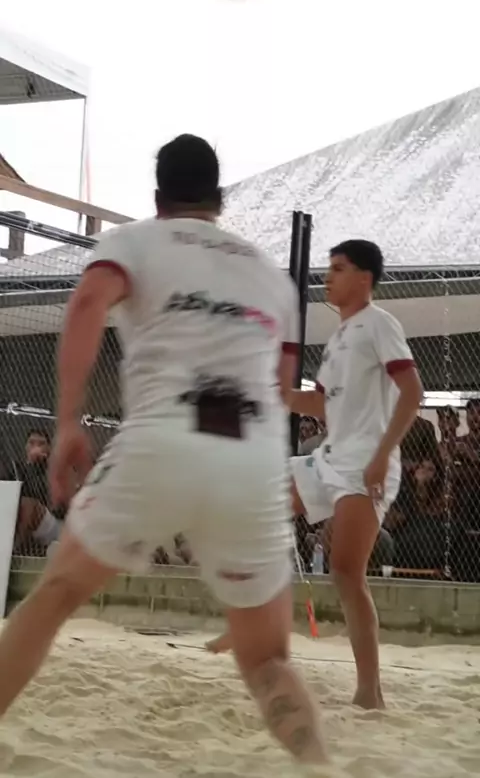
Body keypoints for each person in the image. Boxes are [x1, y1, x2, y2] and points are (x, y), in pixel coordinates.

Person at [0, 135, 326, 765]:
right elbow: (282, 387)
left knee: (55, 596)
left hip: (163, 439)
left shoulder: (135, 242)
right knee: (268, 662)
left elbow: (88, 302)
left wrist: (68, 421)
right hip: (252, 456)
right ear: (219, 199)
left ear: (157, 198)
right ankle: (321, 766)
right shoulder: (270, 277)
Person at [206, 239, 423, 711]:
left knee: (346, 574)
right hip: (330, 457)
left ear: (364, 278)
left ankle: (370, 692)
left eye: (339, 268)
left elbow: (413, 393)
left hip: (365, 464)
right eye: (329, 267)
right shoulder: (340, 337)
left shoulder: (379, 323)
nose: (329, 276)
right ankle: (252, 620)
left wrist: (382, 455)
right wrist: (275, 393)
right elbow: (322, 404)